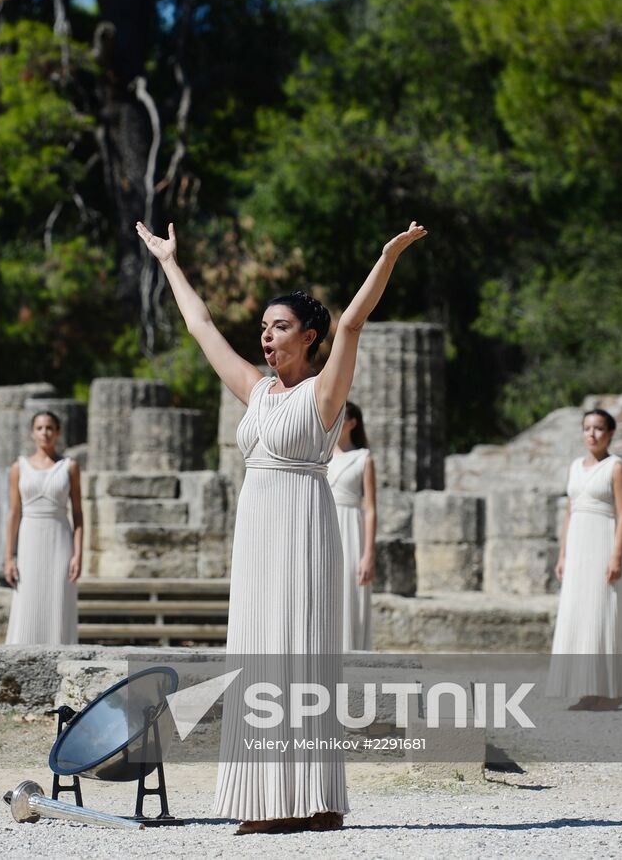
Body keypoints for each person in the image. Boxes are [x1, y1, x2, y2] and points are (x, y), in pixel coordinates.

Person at [137, 217, 427, 834]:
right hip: (259, 535)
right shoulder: (256, 391)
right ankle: (286, 795)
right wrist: (168, 263)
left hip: (305, 528)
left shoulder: (325, 394)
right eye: (264, 329)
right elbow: (201, 326)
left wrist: (388, 256)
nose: (266, 339)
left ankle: (304, 800)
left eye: (280, 328)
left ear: (309, 337)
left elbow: (352, 323)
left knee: (302, 656)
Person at [547, 408, 622, 710]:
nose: (592, 434)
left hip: (602, 545)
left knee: (603, 613)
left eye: (598, 428)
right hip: (578, 547)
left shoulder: (616, 467)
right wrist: (563, 554)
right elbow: (570, 512)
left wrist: (616, 555)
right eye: (587, 428)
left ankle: (612, 691)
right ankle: (588, 689)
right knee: (580, 614)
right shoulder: (575, 467)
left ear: (610, 433)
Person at [4, 411, 83, 645]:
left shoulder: (69, 467)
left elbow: (78, 513)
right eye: (39, 428)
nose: (44, 433)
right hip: (30, 539)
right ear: (32, 433)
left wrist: (78, 554)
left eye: (49, 428)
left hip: (59, 539)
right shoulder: (19, 467)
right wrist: (9, 557)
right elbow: (14, 512)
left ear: (57, 432)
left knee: (58, 599)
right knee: (27, 598)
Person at [329, 401, 376, 651]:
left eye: (340, 416)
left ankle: (351, 655)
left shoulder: (363, 459)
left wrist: (369, 554)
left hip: (351, 529)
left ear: (352, 423)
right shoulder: (319, 455)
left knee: (348, 593)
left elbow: (370, 508)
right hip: (324, 525)